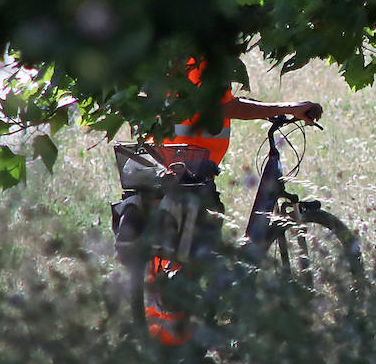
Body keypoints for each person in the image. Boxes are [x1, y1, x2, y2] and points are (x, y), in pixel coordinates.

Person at [113, 58, 322, 346]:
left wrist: (264, 109)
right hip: (188, 171)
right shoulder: (200, 54)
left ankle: (162, 343)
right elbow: (226, 107)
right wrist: (288, 109)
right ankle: (175, 343)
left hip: (162, 167)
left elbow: (222, 101)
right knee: (191, 256)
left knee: (169, 260)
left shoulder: (171, 47)